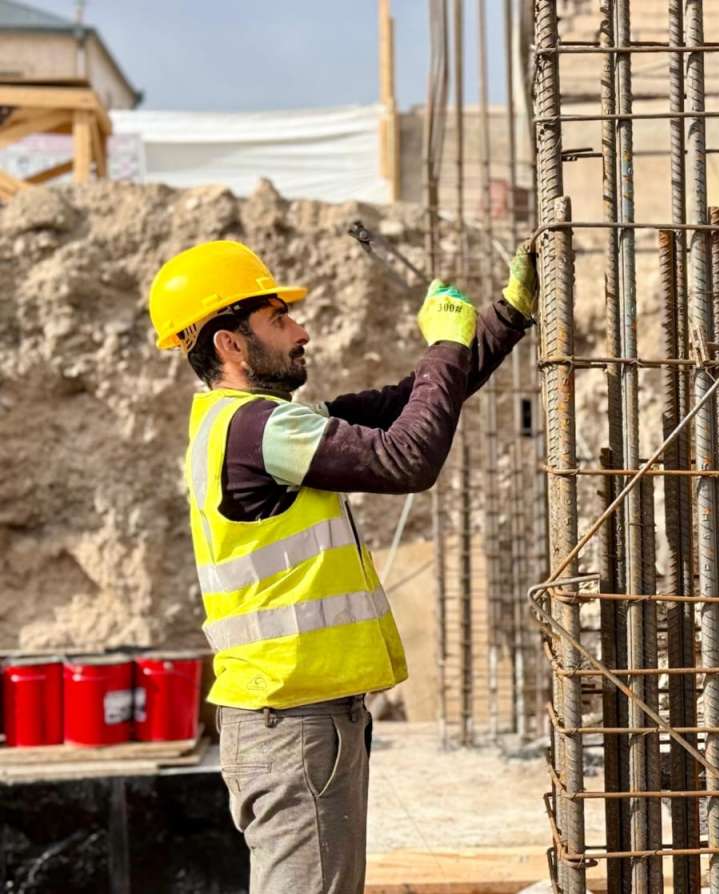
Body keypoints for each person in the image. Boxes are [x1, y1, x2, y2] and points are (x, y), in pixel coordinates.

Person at [148, 239, 538, 893]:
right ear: (231, 344)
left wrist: (506, 315)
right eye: (279, 319)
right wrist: (444, 342)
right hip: (291, 721)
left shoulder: (255, 424)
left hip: (295, 716)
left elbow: (414, 402)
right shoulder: (259, 431)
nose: (301, 331)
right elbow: (407, 458)